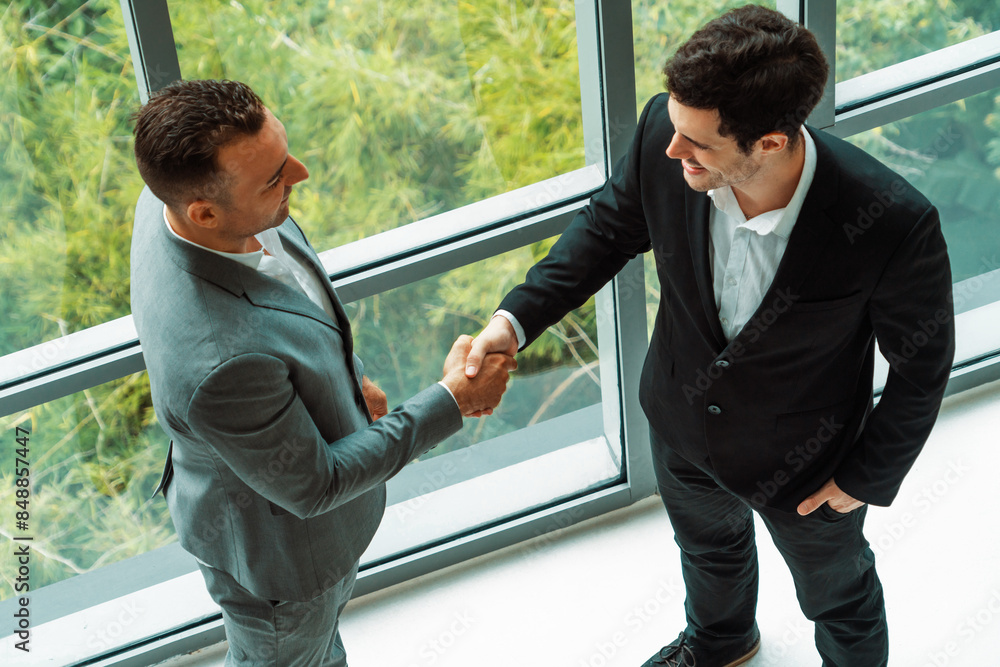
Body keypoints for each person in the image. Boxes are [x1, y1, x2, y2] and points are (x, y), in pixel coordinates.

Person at [465, 5, 954, 666]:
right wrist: (511, 321)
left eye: (697, 143)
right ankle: (722, 640)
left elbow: (922, 365)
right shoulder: (665, 139)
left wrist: (866, 476)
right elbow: (607, 229)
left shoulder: (891, 222)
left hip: (809, 468)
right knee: (707, 551)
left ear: (771, 142)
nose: (673, 151)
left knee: (839, 598)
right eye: (674, 128)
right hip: (680, 423)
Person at [129, 79, 516, 666]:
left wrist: (348, 379)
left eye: (284, 156)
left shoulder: (175, 208)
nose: (301, 175)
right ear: (203, 211)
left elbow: (292, 315)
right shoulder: (220, 361)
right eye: (275, 178)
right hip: (285, 564)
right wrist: (452, 401)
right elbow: (316, 486)